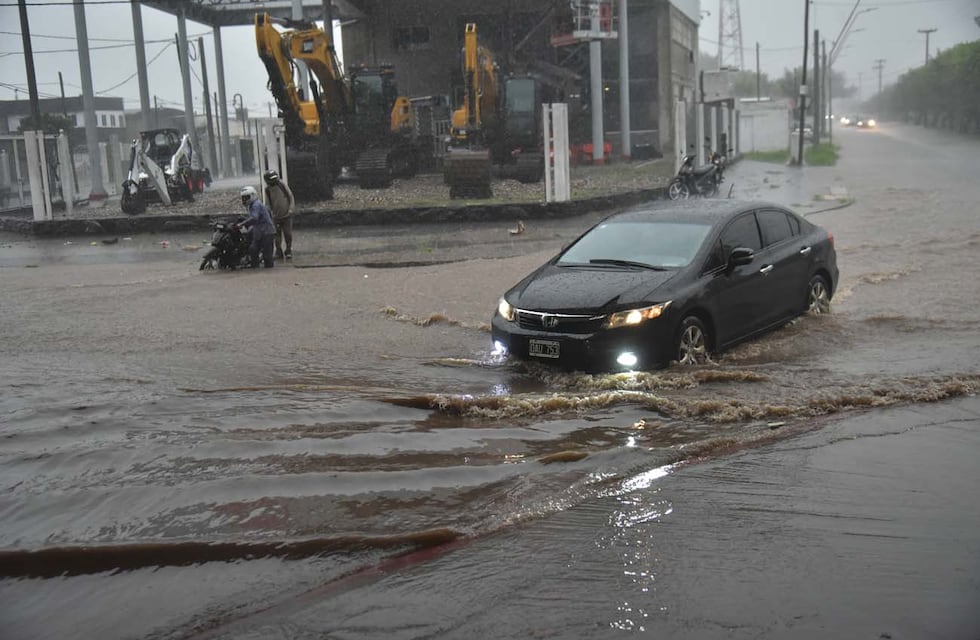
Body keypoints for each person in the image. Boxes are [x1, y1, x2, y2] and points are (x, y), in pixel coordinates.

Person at [238, 185, 276, 268]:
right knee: (253, 250)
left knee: (267, 256)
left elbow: (254, 218)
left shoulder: (256, 205)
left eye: (246, 197)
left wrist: (242, 224)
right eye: (243, 198)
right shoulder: (252, 205)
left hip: (267, 232)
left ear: (252, 195)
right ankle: (255, 268)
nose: (244, 200)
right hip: (258, 231)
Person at [263, 170, 295, 260]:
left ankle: (288, 250)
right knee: (277, 235)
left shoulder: (281, 185)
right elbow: (268, 204)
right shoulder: (268, 190)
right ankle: (278, 250)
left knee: (288, 234)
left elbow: (290, 196)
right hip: (276, 216)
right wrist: (269, 214)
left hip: (286, 215)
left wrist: (291, 209)